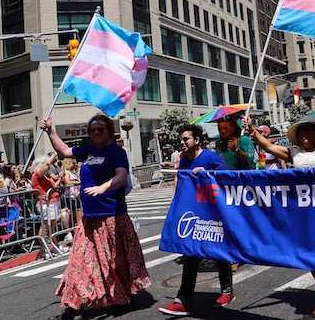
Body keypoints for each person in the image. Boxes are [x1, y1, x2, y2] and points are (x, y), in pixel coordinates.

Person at [40, 114, 150, 320]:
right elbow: (63, 151)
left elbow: (122, 175)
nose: (96, 133)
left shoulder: (116, 151)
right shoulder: (89, 150)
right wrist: (51, 131)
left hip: (112, 217)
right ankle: (74, 306)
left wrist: (103, 187)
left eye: (100, 129)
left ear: (109, 130)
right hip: (90, 218)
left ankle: (123, 297)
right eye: (93, 130)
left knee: (115, 264)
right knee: (79, 262)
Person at [245, 113, 315, 316]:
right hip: (306, 212)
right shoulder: (294, 152)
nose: (303, 133)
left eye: (307, 129)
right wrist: (251, 130)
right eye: (300, 131)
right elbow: (269, 147)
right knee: (312, 254)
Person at [160, 124, 235, 316]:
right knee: (190, 253)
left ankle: (227, 291)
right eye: (181, 140)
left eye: (186, 139)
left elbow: (226, 177)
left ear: (197, 140)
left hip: (213, 212)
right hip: (193, 213)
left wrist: (206, 173)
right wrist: (174, 205)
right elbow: (180, 181)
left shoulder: (209, 157)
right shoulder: (183, 160)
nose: (182, 143)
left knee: (217, 251)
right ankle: (183, 300)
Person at [31, 153, 68, 256]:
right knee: (45, 228)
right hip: (45, 204)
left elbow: (54, 186)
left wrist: (60, 178)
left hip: (52, 202)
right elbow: (47, 164)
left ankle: (55, 246)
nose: (50, 167)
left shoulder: (46, 177)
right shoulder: (38, 174)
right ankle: (43, 250)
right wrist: (55, 154)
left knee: (51, 228)